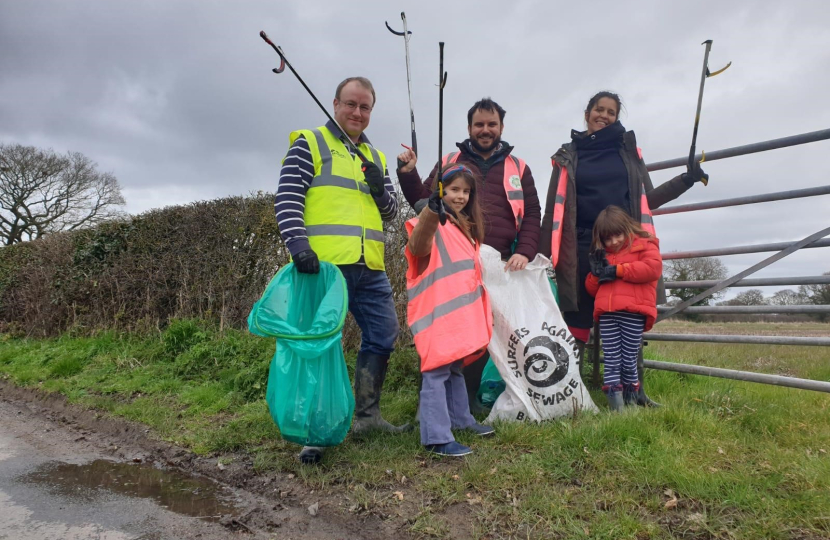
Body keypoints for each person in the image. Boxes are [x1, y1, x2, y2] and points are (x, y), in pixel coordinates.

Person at [540, 91, 707, 406]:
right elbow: (553, 210)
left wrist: (686, 180)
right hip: (579, 246)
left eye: (611, 112)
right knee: (576, 316)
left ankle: (635, 392)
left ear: (617, 117)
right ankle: (567, 393)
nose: (603, 115)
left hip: (624, 246)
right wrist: (540, 250)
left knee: (628, 315)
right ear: (587, 113)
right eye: (598, 110)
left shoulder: (629, 152)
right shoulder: (567, 155)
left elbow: (649, 199)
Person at [275, 76, 407, 465]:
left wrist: (381, 189)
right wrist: (298, 245)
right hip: (324, 267)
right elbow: (287, 197)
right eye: (351, 104)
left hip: (371, 266)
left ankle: (367, 417)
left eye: (365, 107)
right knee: (318, 346)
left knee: (384, 335)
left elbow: (391, 214)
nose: (357, 112)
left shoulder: (377, 158)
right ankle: (315, 434)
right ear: (335, 104)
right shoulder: (310, 143)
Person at [397, 98, 542, 414]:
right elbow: (424, 202)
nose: (486, 130)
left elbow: (532, 214)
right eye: (479, 124)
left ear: (501, 128)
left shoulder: (520, 168)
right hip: (451, 263)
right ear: (469, 128)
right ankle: (435, 404)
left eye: (492, 124)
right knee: (448, 329)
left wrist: (526, 252)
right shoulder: (450, 160)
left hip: (500, 264)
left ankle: (468, 399)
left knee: (482, 333)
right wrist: (408, 174)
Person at [405, 164, 495, 456]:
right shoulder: (432, 222)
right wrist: (430, 213)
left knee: (454, 367)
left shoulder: (464, 228)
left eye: (466, 191)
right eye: (454, 189)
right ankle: (436, 437)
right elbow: (418, 247)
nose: (461, 196)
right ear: (441, 191)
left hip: (458, 318)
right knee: (436, 371)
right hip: (436, 316)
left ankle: (461, 419)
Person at [585, 206, 662, 411]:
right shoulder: (603, 255)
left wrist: (619, 270)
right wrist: (595, 274)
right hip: (609, 314)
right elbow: (592, 290)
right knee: (611, 358)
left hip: (632, 313)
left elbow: (652, 269)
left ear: (627, 227)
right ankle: (617, 407)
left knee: (628, 358)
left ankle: (630, 398)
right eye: (608, 239)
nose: (614, 242)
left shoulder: (645, 246)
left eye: (617, 235)